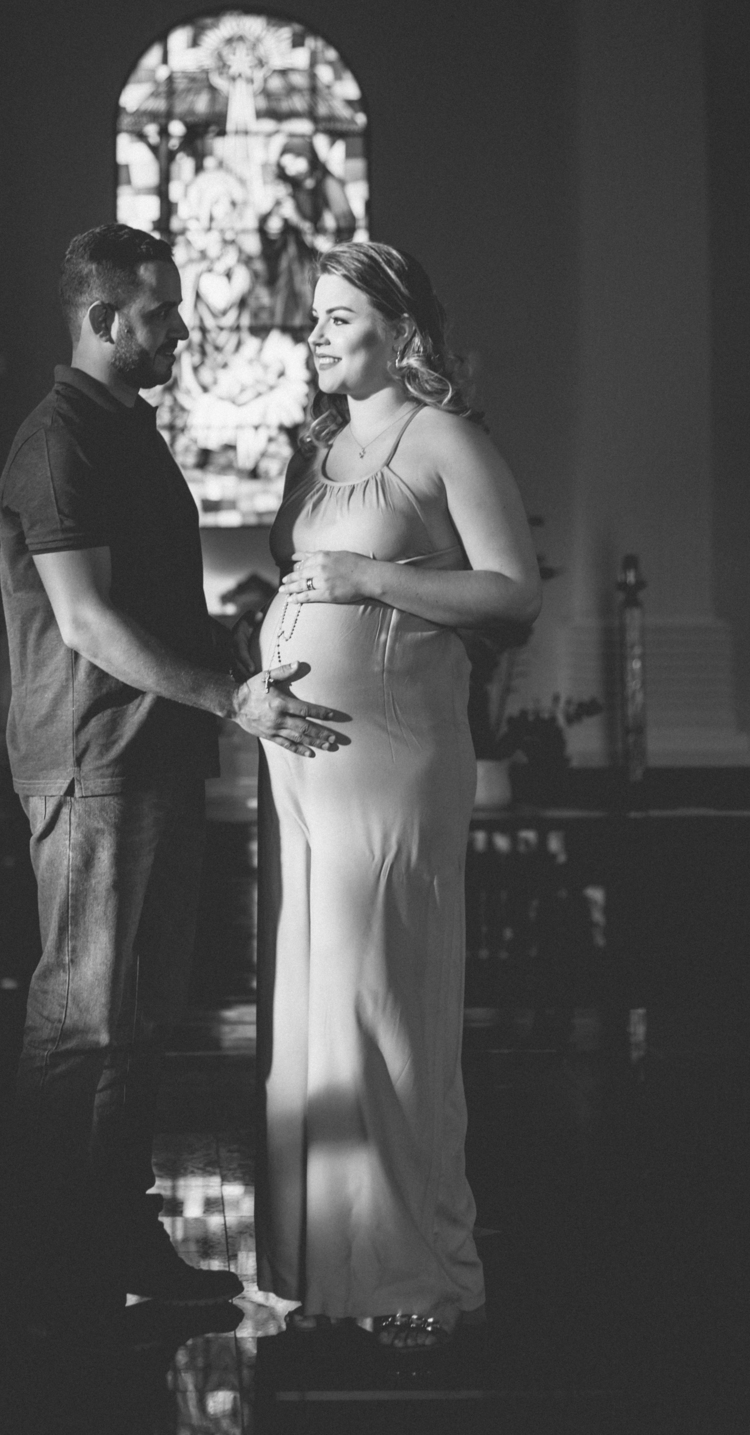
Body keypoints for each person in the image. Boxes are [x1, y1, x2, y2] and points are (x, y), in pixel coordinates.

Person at [0, 223, 343, 1339]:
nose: (183, 328)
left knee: (136, 1020)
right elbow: (90, 622)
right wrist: (228, 696)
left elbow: (151, 600)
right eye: (161, 312)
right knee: (78, 1016)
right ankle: (46, 1250)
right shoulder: (59, 444)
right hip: (95, 758)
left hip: (155, 753)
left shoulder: (125, 432)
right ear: (104, 320)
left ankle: (117, 1231)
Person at [254, 240, 541, 1353]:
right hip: (303, 764)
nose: (316, 337)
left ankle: (420, 1270)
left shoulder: (446, 441)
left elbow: (511, 594)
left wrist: (373, 579)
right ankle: (323, 1265)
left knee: (386, 1003)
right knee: (314, 1013)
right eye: (313, 320)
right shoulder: (318, 451)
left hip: (395, 758)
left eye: (337, 318)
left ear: (402, 330)